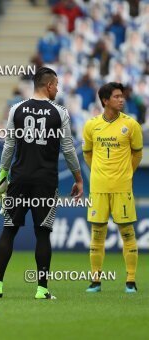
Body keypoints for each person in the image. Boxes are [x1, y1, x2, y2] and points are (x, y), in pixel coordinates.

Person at [0, 67, 83, 299]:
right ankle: (42, 289)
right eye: (56, 85)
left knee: (8, 230)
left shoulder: (16, 109)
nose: (57, 89)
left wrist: (2, 175)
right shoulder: (59, 112)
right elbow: (68, 149)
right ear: (48, 85)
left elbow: (9, 146)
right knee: (43, 234)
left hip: (19, 179)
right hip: (45, 181)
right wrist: (78, 178)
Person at [82, 82, 143, 293]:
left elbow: (137, 154)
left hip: (122, 187)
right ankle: (95, 281)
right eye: (117, 96)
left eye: (122, 96)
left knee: (127, 232)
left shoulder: (131, 125)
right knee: (97, 234)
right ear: (105, 101)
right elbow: (88, 154)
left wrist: (126, 173)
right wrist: (99, 172)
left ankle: (131, 281)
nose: (122, 99)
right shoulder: (91, 125)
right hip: (98, 188)